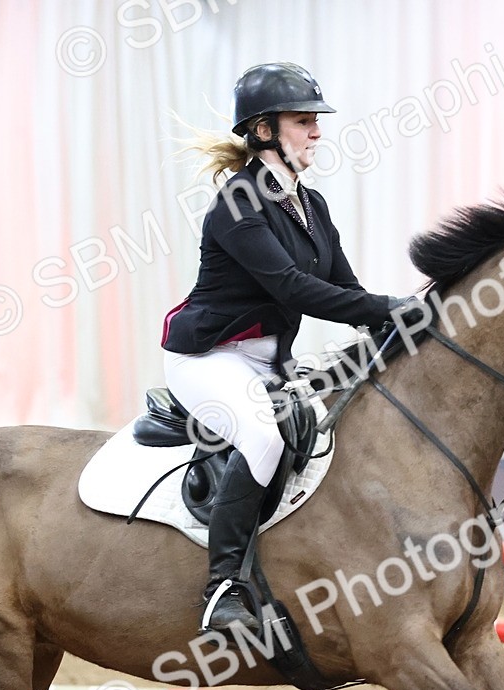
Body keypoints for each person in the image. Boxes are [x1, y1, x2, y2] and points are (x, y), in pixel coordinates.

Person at [162, 63, 416, 634]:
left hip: (271, 362)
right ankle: (223, 587)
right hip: (207, 359)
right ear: (263, 131)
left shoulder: (313, 206)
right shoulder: (238, 202)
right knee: (262, 433)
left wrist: (411, 321)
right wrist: (392, 308)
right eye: (304, 122)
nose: (318, 132)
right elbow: (294, 289)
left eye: (316, 122)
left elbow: (347, 292)